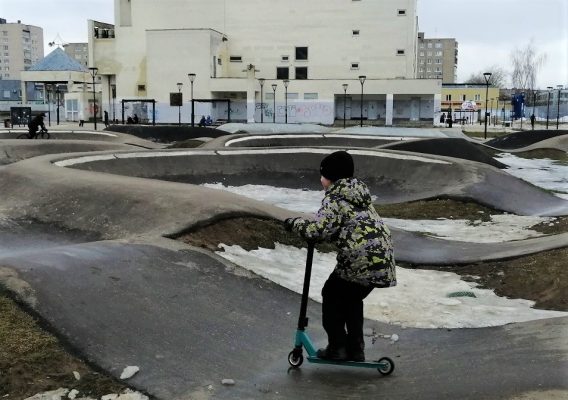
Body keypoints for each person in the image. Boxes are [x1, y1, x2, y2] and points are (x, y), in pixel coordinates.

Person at [284, 151, 396, 362]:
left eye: (323, 175)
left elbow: (319, 230)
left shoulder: (335, 198)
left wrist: (295, 224)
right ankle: (356, 349)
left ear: (331, 178)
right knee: (352, 300)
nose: (320, 180)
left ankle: (338, 347)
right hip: (382, 259)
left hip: (359, 260)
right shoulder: (360, 196)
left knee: (332, 295)